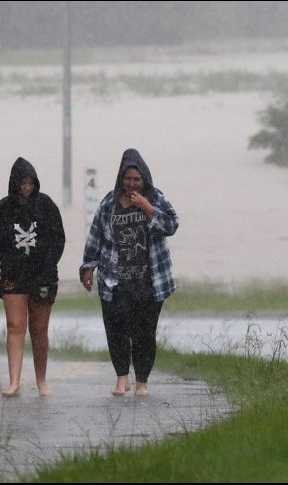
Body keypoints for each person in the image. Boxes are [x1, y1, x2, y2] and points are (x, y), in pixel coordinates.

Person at [80, 148, 179, 397]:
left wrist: (147, 207)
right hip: (115, 280)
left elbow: (172, 224)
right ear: (120, 179)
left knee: (144, 332)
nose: (131, 184)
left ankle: (142, 381)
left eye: (136, 180)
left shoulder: (156, 198)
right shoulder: (108, 203)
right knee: (116, 330)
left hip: (149, 280)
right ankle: (121, 378)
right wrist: (88, 267)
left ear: (144, 179)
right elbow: (95, 236)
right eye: (127, 179)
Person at [0, 157, 65, 397]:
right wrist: (13, 262)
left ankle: (41, 380)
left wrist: (46, 264)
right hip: (14, 276)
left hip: (42, 275)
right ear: (14, 183)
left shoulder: (46, 206)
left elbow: (58, 240)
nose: (26, 188)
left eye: (30, 183)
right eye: (22, 183)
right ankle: (14, 381)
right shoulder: (3, 208)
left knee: (39, 329)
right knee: (15, 326)